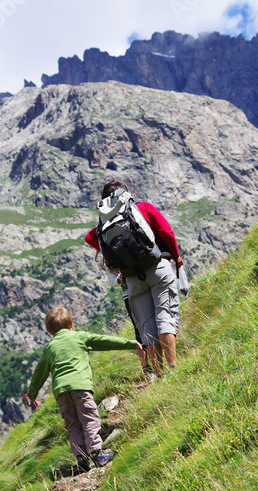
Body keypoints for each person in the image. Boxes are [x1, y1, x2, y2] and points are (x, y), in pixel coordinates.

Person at [24, 307, 142, 472]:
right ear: (71, 324)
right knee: (89, 418)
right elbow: (103, 341)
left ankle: (82, 459)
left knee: (73, 424)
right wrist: (130, 343)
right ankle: (97, 453)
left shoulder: (49, 348)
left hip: (61, 393)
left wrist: (31, 395)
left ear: (50, 332)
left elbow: (39, 373)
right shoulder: (80, 336)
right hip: (80, 387)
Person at [85, 180, 182, 378]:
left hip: (132, 279)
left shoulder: (104, 222)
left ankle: (160, 377)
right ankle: (174, 370)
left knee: (147, 326)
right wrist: (176, 255)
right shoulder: (142, 208)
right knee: (164, 317)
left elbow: (89, 238)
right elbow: (166, 232)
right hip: (157, 268)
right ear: (125, 194)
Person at [107, 269, 156, 383]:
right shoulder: (111, 260)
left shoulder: (110, 256)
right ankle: (147, 368)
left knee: (150, 325)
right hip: (132, 294)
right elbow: (113, 281)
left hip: (144, 288)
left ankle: (155, 364)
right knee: (139, 329)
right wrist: (119, 278)